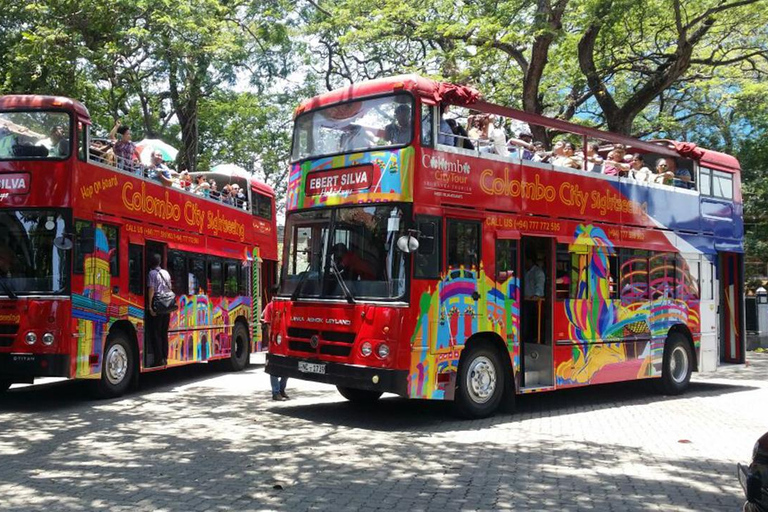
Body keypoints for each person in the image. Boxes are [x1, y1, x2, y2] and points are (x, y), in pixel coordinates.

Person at [146, 253, 172, 367]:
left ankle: (158, 359)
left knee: (155, 333)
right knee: (164, 332)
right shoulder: (166, 273)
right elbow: (170, 287)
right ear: (160, 262)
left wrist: (150, 306)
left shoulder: (151, 273)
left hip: (158, 305)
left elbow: (151, 289)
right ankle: (165, 357)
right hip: (167, 305)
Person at [523, 254, 546, 344]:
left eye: (526, 261)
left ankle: (533, 339)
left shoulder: (538, 272)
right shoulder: (525, 271)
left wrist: (536, 295)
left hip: (534, 302)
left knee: (532, 322)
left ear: (530, 261)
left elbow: (539, 286)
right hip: (525, 300)